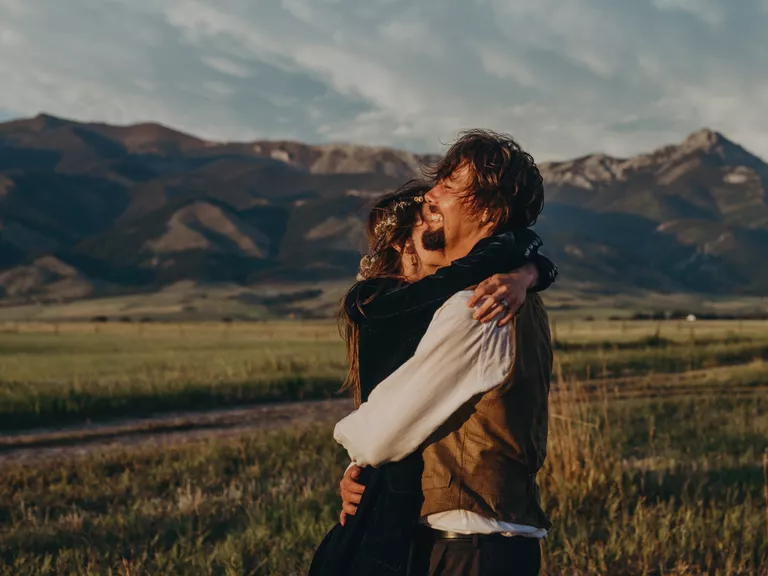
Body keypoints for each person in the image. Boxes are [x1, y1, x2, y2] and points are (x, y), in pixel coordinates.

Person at [308, 174, 556, 575]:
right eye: (429, 221)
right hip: (425, 519)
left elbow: (383, 431)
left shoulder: (473, 304)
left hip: (467, 533)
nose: (435, 226)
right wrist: (526, 268)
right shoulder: (384, 303)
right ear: (403, 244)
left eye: (438, 216)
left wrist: (525, 271)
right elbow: (392, 410)